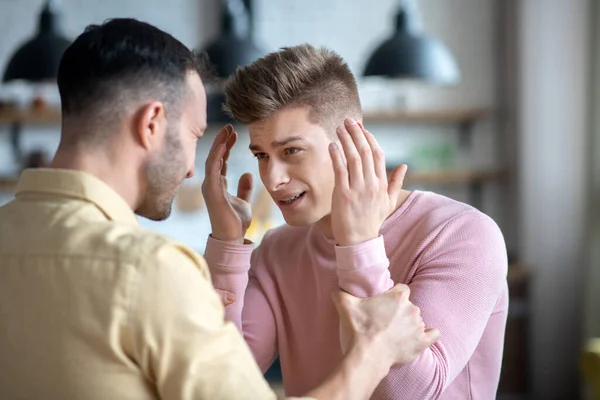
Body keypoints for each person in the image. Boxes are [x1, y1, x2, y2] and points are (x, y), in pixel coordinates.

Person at [0, 19, 439, 400]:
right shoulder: (149, 271)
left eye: (290, 151)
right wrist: (375, 350)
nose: (192, 169)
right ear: (151, 124)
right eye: (193, 134)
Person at [202, 44, 510, 399]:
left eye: (291, 151)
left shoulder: (462, 234)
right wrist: (227, 244)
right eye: (261, 155)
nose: (272, 180)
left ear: (353, 140)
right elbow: (221, 382)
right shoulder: (277, 249)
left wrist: (359, 246)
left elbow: (408, 394)